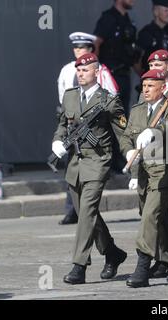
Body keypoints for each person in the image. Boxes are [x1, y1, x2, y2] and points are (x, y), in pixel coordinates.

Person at [51, 53, 128, 285]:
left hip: (98, 161)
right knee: (89, 213)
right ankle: (113, 253)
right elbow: (62, 125)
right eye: (79, 70)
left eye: (86, 70)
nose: (81, 73)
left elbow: (122, 133)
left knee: (86, 212)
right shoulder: (70, 96)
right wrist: (57, 141)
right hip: (75, 164)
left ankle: (79, 265)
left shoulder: (108, 100)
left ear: (96, 72)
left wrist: (131, 155)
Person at [121, 69, 168, 288]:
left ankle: (142, 268)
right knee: (160, 224)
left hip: (164, 172)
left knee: (150, 218)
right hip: (144, 172)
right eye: (144, 86)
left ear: (163, 87)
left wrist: (155, 132)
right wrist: (127, 152)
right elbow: (126, 136)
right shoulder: (137, 110)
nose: (146, 90)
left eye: (151, 86)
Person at [57, 32, 119, 226]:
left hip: (94, 128)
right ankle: (72, 209)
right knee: (72, 167)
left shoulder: (101, 71)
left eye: (82, 48)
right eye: (76, 48)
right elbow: (63, 97)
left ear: (91, 49)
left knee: (91, 170)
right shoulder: (68, 70)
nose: (78, 52)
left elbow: (112, 96)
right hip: (73, 125)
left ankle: (86, 209)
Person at [94, 0, 139, 115]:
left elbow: (132, 55)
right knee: (108, 116)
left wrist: (144, 75)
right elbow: (96, 43)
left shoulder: (129, 22)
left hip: (125, 76)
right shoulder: (108, 18)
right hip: (110, 77)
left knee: (123, 116)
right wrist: (95, 72)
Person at [137, 0, 168, 77]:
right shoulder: (147, 33)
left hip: (166, 81)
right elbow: (136, 59)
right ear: (156, 12)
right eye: (166, 10)